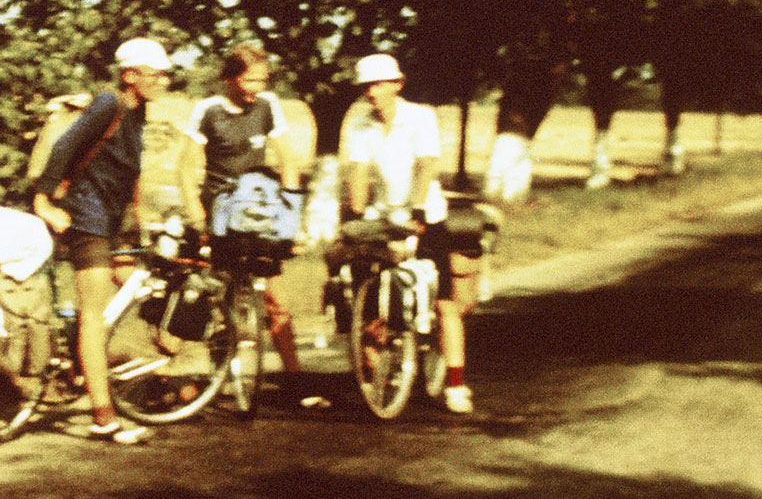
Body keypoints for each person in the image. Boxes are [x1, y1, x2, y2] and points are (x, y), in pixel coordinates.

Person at [33, 37, 172, 442]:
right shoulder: (108, 103)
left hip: (115, 217)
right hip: (86, 213)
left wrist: (139, 209)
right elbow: (65, 146)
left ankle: (139, 374)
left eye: (165, 74)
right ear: (131, 76)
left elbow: (128, 166)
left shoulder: (137, 110)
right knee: (94, 312)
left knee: (138, 289)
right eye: (155, 74)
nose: (162, 81)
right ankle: (103, 415)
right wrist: (43, 200)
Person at [340, 53, 476, 414]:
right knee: (364, 287)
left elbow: (428, 163)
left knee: (444, 300)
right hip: (384, 215)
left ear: (397, 85)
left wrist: (417, 209)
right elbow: (357, 171)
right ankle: (374, 363)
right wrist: (354, 214)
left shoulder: (420, 117)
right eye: (366, 85)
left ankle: (456, 383)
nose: (372, 92)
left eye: (379, 84)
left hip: (424, 213)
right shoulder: (360, 126)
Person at [178, 42, 312, 402]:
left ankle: (295, 380)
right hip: (219, 209)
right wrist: (196, 213)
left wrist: (292, 215)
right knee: (215, 298)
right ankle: (211, 374)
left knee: (276, 300)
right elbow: (186, 167)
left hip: (257, 206)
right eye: (250, 80)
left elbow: (287, 161)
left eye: (262, 80)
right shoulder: (208, 110)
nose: (257, 88)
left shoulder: (269, 106)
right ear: (232, 78)